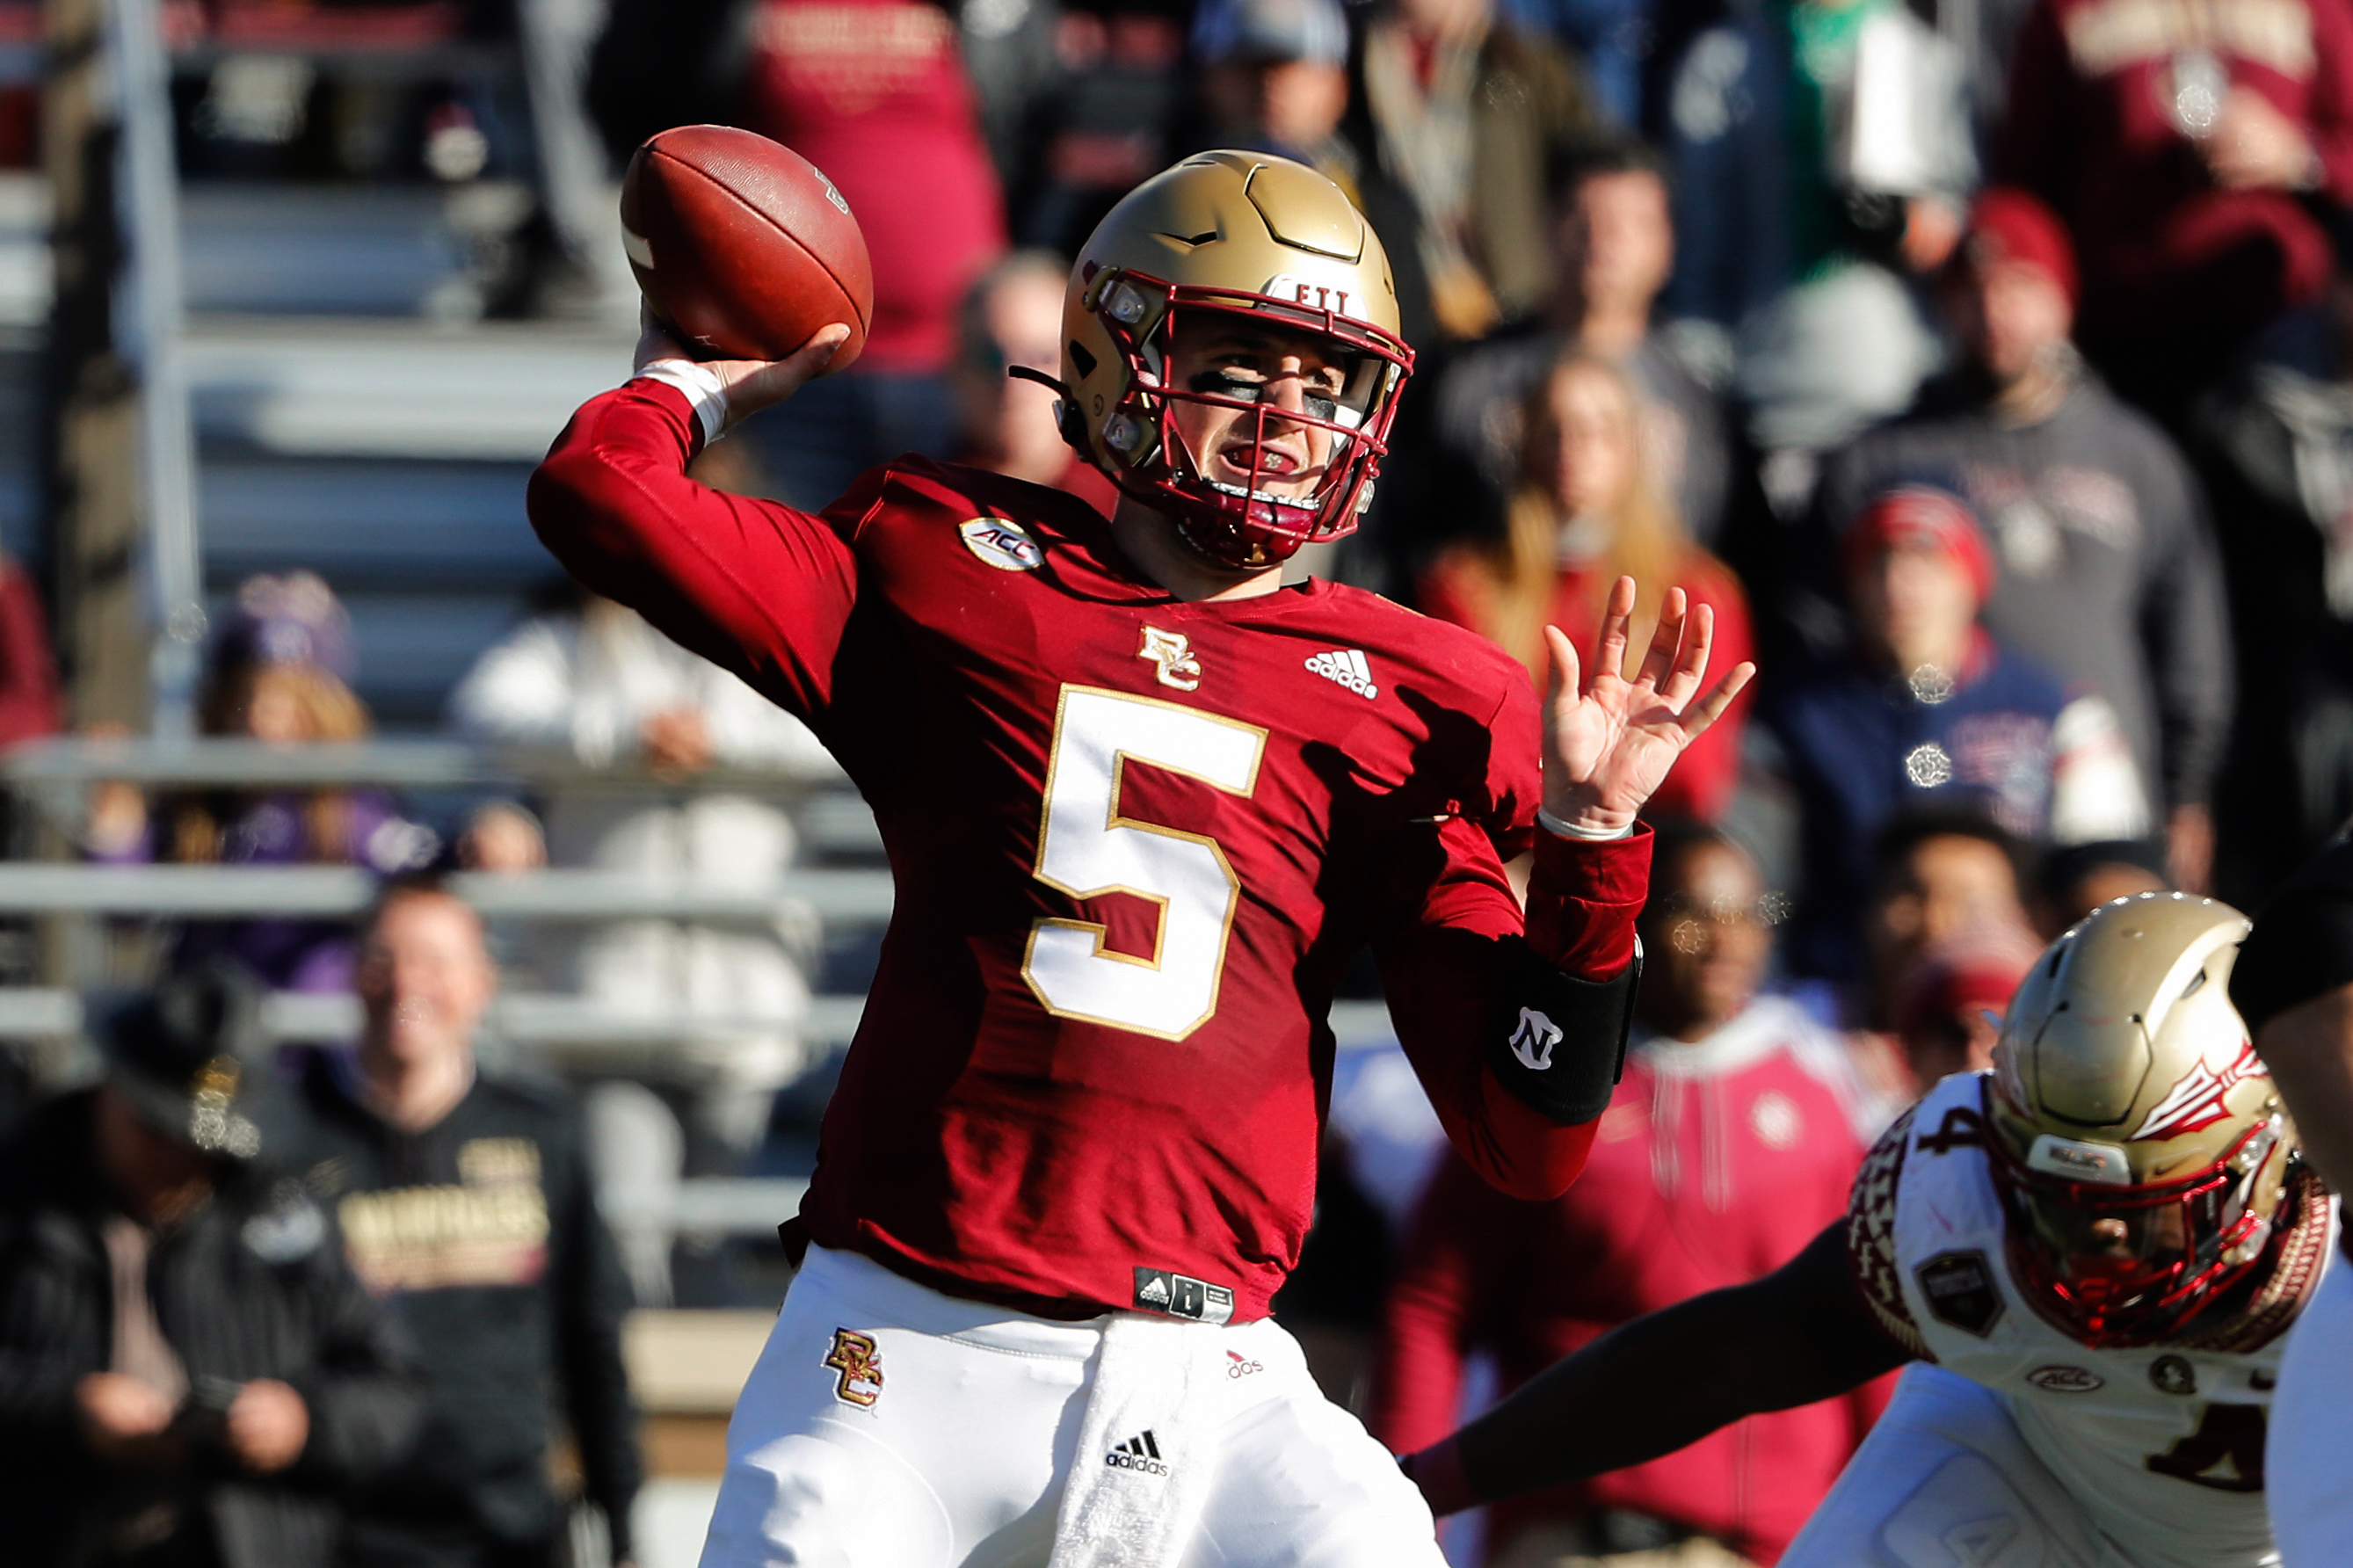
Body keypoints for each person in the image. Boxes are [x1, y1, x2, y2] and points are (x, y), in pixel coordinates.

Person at [527, 149, 1748, 1564]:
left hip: (1213, 1371)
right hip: (906, 1345)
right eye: (1243, 363)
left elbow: (1524, 1140)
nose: (1289, 419)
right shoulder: (949, 556)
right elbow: (599, 498)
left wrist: (1594, 845)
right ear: (1115, 356)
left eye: (1325, 379)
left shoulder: (1422, 695)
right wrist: (695, 372)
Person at [1404, 893, 2330, 1568]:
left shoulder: (2337, 1246)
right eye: (2046, 1198)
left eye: (2134, 1211)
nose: (2089, 1247)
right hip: (2030, 1475)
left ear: (2267, 1154)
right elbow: (1728, 1354)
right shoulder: (1954, 1199)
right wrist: (1426, 1479)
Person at [1372, 824, 1885, 1565]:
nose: (1723, 939)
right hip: (1572, 1539)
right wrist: (1402, 1516)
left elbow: (1867, 1319)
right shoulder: (1542, 1097)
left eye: (1747, 912)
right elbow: (1432, 1307)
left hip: (1773, 1547)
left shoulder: (1820, 1102)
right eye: (1692, 911)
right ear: (1637, 920)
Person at [1818, 190, 2235, 890]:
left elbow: (2188, 637)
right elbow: (1819, 634)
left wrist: (2186, 791)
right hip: (1928, 817)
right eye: (1970, 290)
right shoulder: (1881, 461)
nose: (1993, 313)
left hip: (2103, 811)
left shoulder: (2133, 454)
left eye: (2019, 288)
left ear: (2063, 301)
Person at [448, 581, 830, 1301]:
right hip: (607, 1003)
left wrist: (721, 744)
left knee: (712, 1240)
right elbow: (484, 711)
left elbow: (857, 724)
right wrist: (627, 735)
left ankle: (710, 1406)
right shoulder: (570, 636)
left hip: (745, 1005)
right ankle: (634, 1402)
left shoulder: (782, 630)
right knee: (628, 1235)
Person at [0, 963, 425, 1568]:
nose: (180, 1162)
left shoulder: (284, 1207)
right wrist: (66, 1412)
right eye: (157, 1132)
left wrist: (302, 1423)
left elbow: (391, 1384)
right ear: (109, 1086)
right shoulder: (20, 1196)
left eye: (201, 1145)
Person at [287, 875, 643, 1568]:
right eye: (385, 959)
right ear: (353, 975)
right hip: (335, 1533)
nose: (406, 984)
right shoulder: (292, 1138)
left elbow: (594, 1342)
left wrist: (623, 1527)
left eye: (434, 962)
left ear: (482, 982)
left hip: (509, 1534)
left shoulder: (542, 1131)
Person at [1764, 484, 2149, 983]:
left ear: (1972, 579)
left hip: (2019, 984)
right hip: (1840, 993)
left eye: (1928, 563)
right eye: (1879, 564)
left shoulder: (2058, 710)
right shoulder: (1795, 713)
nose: (1901, 586)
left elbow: (2109, 865)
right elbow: (1764, 882)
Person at [1421, 353, 1753, 823]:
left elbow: (1697, 778)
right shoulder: (1465, 585)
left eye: (1597, 428)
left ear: (1632, 446)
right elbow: (1466, 753)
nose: (1571, 446)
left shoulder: (1697, 592)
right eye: (1553, 427)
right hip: (1508, 837)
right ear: (1525, 441)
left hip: (1652, 839)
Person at [85, 572, 439, 993]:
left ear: (328, 710)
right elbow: (126, 911)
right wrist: (117, 829)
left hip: (314, 1043)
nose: (262, 720)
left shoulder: (352, 812)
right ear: (219, 709)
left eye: (291, 702)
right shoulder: (199, 813)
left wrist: (486, 844)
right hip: (214, 1042)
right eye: (246, 698)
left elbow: (428, 877)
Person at [1998, 0, 2353, 420]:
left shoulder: (2316, 7)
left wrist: (2298, 155)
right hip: (2124, 342)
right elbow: (2025, 188)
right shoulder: (2067, 10)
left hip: (2280, 335)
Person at [1428, 140, 1736, 550]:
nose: (1602, 241)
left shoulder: (1698, 397)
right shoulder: (1470, 381)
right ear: (1547, 226)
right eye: (1584, 217)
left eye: (1629, 223)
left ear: (1668, 244)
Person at [1344, 0, 1598, 345]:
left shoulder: (1525, 65)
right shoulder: (1348, 58)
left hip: (1514, 303)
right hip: (1398, 302)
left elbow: (1586, 172)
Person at [952, 250, 1125, 517]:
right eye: (990, 358)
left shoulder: (1133, 513)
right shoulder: (913, 508)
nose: (1014, 386)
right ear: (955, 369)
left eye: (1041, 357)